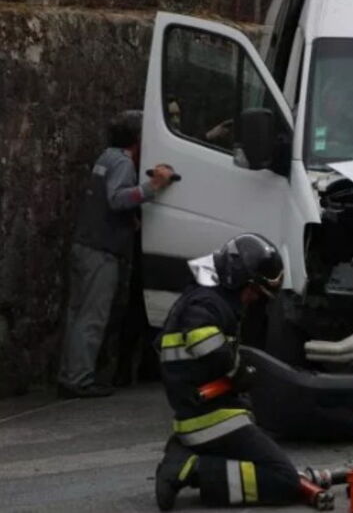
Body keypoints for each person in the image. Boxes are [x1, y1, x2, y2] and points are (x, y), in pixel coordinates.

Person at [154, 234, 322, 510]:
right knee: (283, 479)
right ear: (237, 277)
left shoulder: (210, 299)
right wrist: (237, 370)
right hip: (210, 416)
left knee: (267, 463)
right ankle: (194, 468)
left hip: (205, 411)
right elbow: (205, 343)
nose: (252, 300)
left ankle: (185, 453)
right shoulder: (206, 303)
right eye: (254, 291)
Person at [58, 110, 176, 398]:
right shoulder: (123, 163)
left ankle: (69, 374)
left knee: (77, 314)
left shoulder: (106, 157)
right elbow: (116, 198)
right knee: (93, 317)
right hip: (101, 250)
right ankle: (80, 379)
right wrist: (153, 186)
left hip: (84, 245)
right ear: (138, 138)